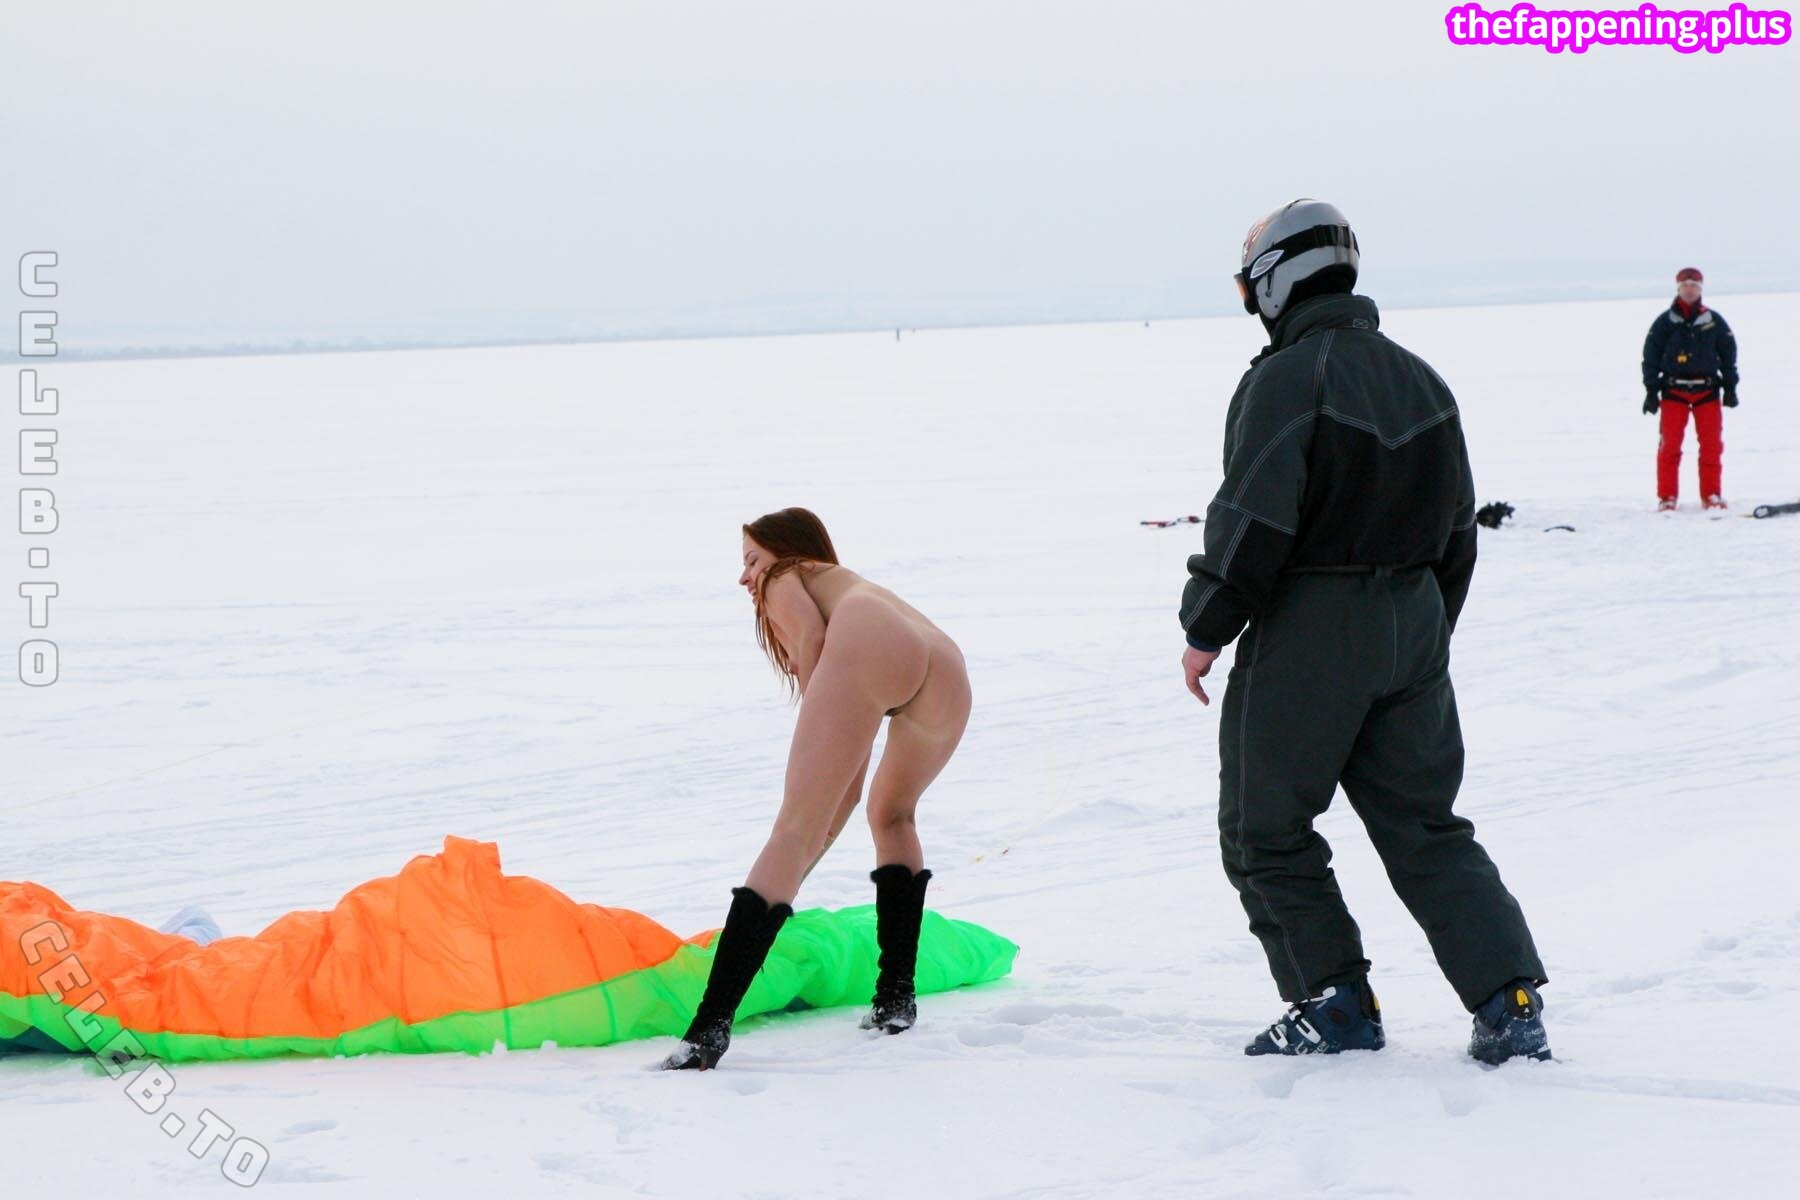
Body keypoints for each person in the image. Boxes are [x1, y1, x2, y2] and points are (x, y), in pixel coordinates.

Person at [1177, 200, 1550, 1064]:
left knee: (1263, 827)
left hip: (1314, 623)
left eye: (1247, 285)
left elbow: (1253, 517)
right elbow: (1459, 527)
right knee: (1426, 824)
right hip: (1414, 620)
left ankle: (1334, 1002)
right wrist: (1422, 630)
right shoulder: (1422, 379)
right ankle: (1510, 1001)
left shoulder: (1286, 378)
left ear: (1279, 279)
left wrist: (1207, 623)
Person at [660, 507, 973, 1070]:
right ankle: (895, 998)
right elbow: (844, 795)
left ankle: (706, 1030)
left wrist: (820, 720)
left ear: (784, 551)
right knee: (893, 815)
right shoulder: (845, 583)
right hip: (945, 664)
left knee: (793, 831)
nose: (745, 577)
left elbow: (812, 635)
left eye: (751, 559)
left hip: (875, 643)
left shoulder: (785, 576)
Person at [1643, 267, 1740, 511]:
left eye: (1694, 285)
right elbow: (1650, 357)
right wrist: (1651, 391)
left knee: (1712, 446)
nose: (1689, 289)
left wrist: (1730, 387)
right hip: (1673, 393)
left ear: (1700, 289)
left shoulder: (1713, 321)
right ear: (1678, 289)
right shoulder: (1665, 322)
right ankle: (1667, 498)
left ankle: (1712, 495)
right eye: (1685, 285)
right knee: (1669, 447)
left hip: (1707, 392)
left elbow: (1728, 354)